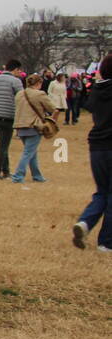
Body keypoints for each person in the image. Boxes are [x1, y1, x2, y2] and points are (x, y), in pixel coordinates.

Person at [72, 54, 112, 251]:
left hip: (97, 145)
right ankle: (106, 242)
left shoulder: (97, 90)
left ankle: (85, 222)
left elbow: (87, 105)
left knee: (102, 192)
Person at [11, 73, 57, 184]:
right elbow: (52, 108)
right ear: (38, 83)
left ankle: (37, 176)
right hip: (34, 126)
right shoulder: (40, 94)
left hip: (20, 126)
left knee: (32, 152)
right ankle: (18, 176)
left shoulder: (19, 94)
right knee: (28, 152)